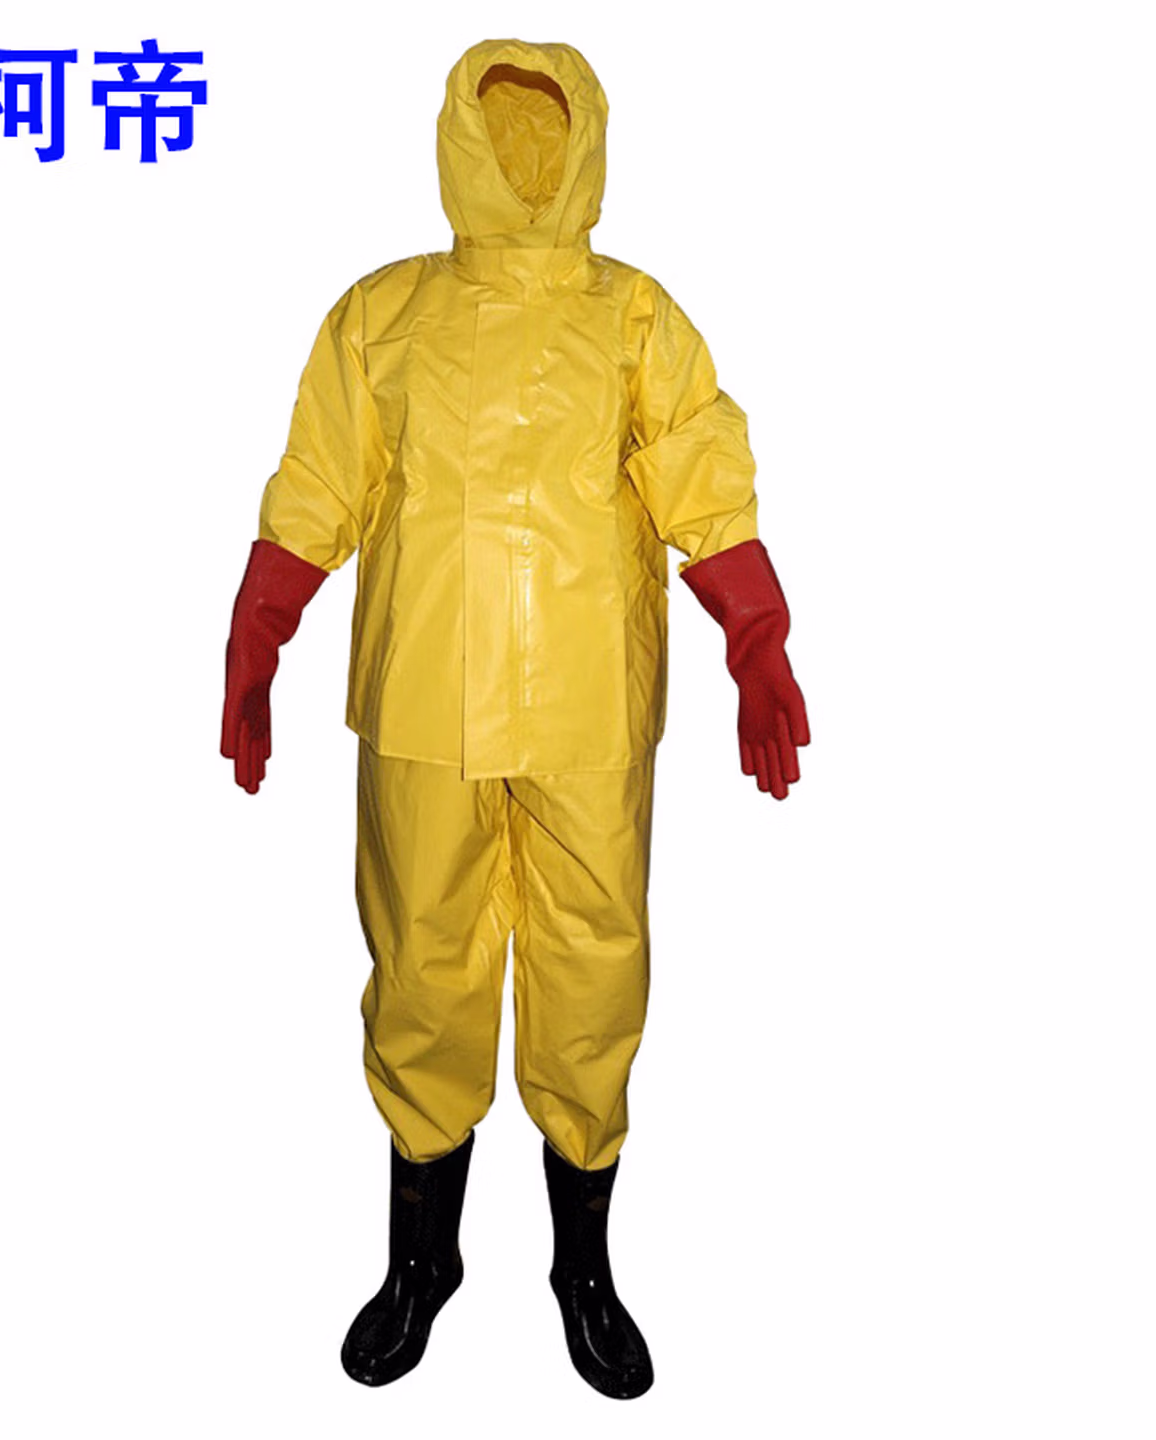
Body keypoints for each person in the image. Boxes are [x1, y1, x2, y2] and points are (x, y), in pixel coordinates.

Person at [221, 37, 809, 1400]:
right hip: (422, 702)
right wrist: (258, 636)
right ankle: (421, 1261)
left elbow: (702, 476)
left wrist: (758, 639)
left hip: (589, 707)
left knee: (592, 976)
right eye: (501, 135)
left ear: (586, 143)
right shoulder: (383, 315)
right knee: (420, 968)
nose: (525, 161)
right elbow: (318, 483)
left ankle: (581, 1267)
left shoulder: (635, 318)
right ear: (461, 144)